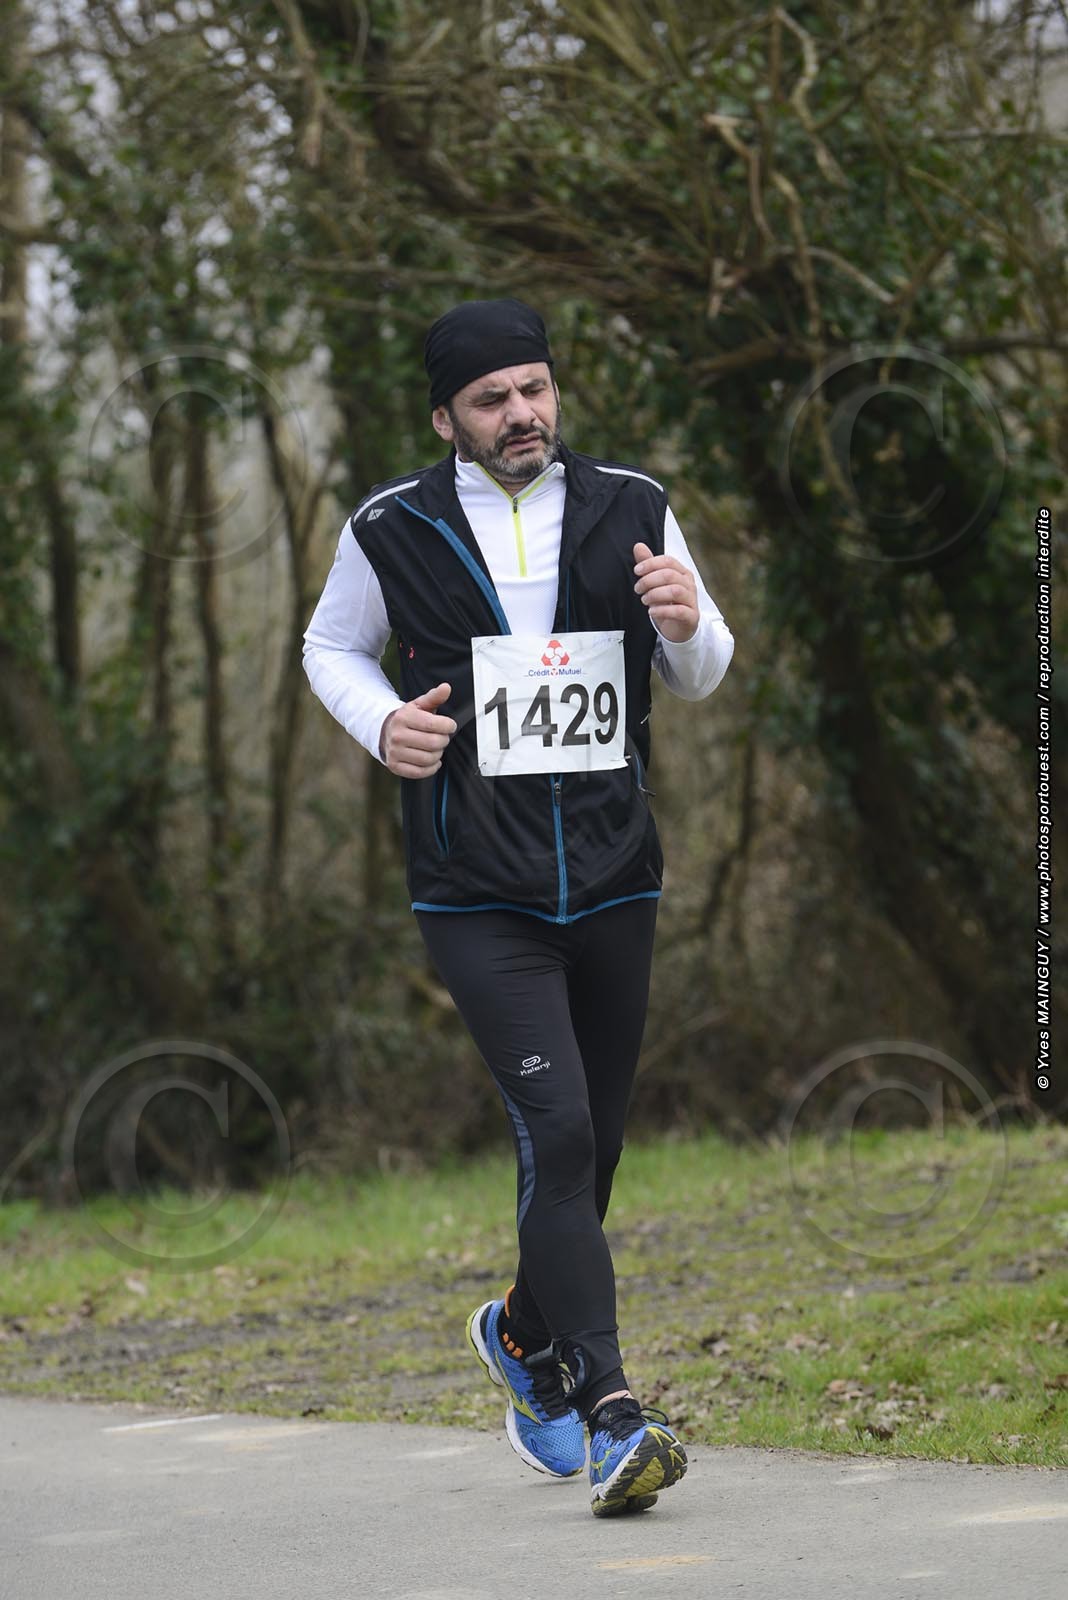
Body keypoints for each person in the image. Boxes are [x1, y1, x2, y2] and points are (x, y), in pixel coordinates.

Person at [302, 298, 734, 1517]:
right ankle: (610, 1409)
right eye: (491, 399)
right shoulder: (391, 525)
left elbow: (701, 668)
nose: (522, 413)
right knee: (558, 1126)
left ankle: (522, 1332)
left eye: (535, 388)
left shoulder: (633, 503)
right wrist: (382, 722)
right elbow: (329, 649)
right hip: (475, 887)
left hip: (613, 873)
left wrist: (687, 626)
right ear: (447, 418)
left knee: (598, 1139)